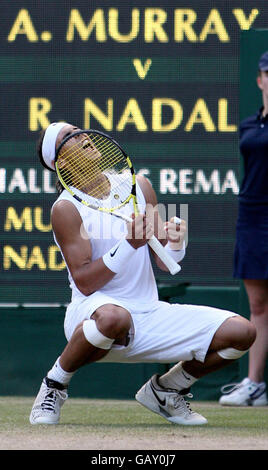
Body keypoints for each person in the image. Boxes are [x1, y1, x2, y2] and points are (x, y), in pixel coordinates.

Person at [30, 121, 256, 425]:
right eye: (68, 137)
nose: (82, 136)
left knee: (242, 334)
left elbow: (164, 259)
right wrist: (127, 244)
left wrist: (177, 242)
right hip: (93, 315)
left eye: (79, 130)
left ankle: (167, 389)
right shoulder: (65, 209)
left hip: (149, 314)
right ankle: (55, 384)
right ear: (62, 163)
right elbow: (84, 282)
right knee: (114, 317)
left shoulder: (138, 185)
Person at [219, 51, 268, 407]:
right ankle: (254, 385)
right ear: (260, 79)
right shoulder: (250, 125)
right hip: (251, 218)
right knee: (259, 305)